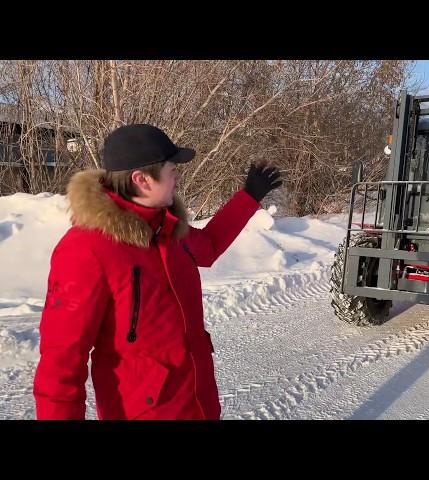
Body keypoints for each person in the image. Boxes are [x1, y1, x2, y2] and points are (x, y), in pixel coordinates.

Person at [33, 124, 282, 420]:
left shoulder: (167, 228)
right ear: (141, 180)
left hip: (197, 404)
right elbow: (61, 363)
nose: (177, 176)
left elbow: (209, 246)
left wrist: (248, 198)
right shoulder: (86, 249)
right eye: (171, 169)